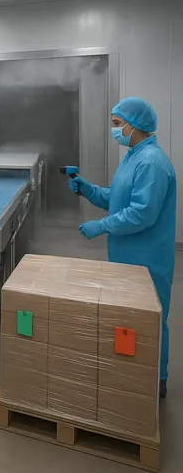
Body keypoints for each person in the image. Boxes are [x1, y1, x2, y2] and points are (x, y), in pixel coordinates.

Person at [70, 97, 176, 399]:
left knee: (150, 319)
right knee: (130, 318)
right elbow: (118, 198)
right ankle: (132, 370)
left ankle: (157, 380)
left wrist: (100, 226)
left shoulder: (152, 163)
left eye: (118, 124)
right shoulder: (133, 155)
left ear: (136, 125)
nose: (114, 129)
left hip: (147, 257)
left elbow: (142, 213)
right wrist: (90, 190)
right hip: (126, 255)